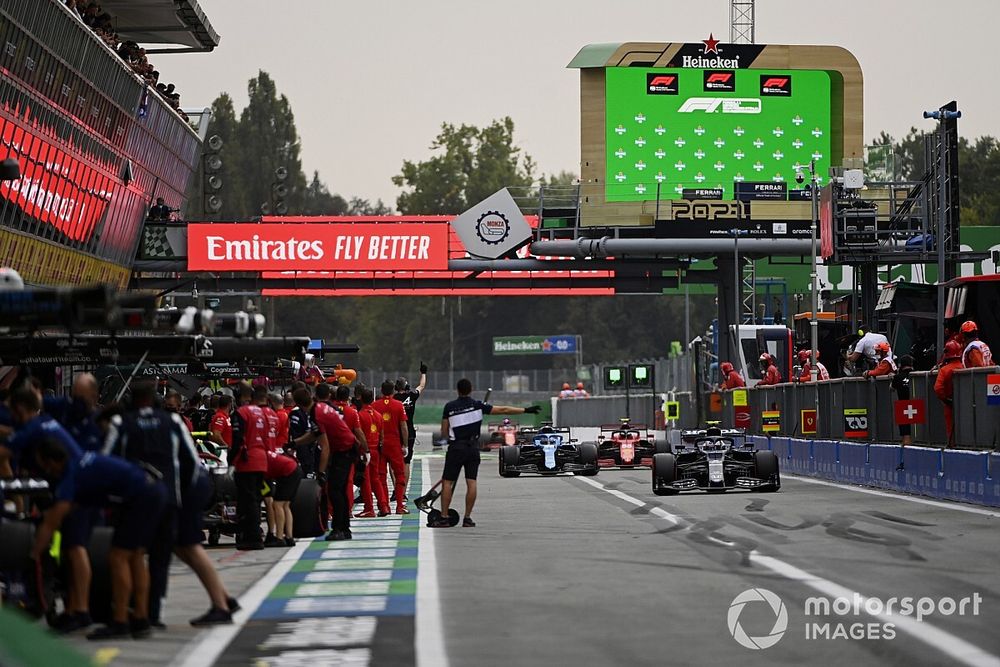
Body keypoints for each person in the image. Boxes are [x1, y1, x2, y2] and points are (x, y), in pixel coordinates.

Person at [2, 386, 92, 634]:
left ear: (20, 409)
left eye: (12, 411)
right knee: (70, 549)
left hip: (75, 489)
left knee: (74, 549)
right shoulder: (46, 421)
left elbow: (3, 452)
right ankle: (75, 609)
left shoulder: (34, 428)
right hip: (76, 485)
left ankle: (80, 610)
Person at [432, 378, 541, 528]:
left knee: (447, 482)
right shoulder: (478, 405)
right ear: (471, 389)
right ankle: (467, 518)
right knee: (471, 482)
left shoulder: (449, 407)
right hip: (472, 448)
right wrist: (526, 410)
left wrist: (449, 437)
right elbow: (503, 410)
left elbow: (444, 432)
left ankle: (444, 517)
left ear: (457, 390)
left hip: (456, 448)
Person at [314, 395, 366, 541]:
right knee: (343, 489)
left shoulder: (320, 412)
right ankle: (344, 525)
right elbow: (358, 432)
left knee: (336, 490)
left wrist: (321, 471)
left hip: (343, 451)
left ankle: (339, 527)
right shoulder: (341, 410)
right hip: (349, 449)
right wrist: (365, 450)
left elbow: (324, 445)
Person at [230, 386, 269, 550]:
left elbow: (238, 439)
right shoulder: (263, 413)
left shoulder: (241, 412)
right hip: (262, 459)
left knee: (247, 500)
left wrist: (230, 459)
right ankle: (254, 533)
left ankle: (252, 537)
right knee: (256, 499)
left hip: (247, 461)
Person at [372, 380, 410, 514]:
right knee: (399, 474)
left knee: (381, 476)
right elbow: (403, 427)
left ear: (381, 391)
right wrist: (405, 444)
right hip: (394, 444)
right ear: (393, 391)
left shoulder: (374, 405)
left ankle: (384, 506)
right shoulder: (399, 405)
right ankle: (400, 506)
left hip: (379, 444)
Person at [393, 362, 427, 502]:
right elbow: (422, 385)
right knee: (406, 462)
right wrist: (423, 373)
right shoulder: (412, 395)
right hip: (410, 432)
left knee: (393, 462)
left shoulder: (393, 399)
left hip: (395, 433)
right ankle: (403, 491)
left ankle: (396, 491)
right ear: (406, 386)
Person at [356, 387, 387, 517]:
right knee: (376, 479)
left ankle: (369, 508)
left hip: (365, 451)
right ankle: (384, 506)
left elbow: (359, 434)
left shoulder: (359, 415)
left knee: (365, 480)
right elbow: (382, 435)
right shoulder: (379, 415)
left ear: (361, 399)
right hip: (376, 450)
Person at [934, 340, 964, 447]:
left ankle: (952, 446)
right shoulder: (965, 367)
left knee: (951, 427)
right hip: (966, 403)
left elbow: (938, 388)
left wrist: (946, 400)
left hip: (950, 404)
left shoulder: (944, 370)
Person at [892, 355, 915, 448]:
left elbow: (892, 388)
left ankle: (906, 456)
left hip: (903, 406)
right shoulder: (916, 375)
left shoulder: (898, 377)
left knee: (906, 433)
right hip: (916, 405)